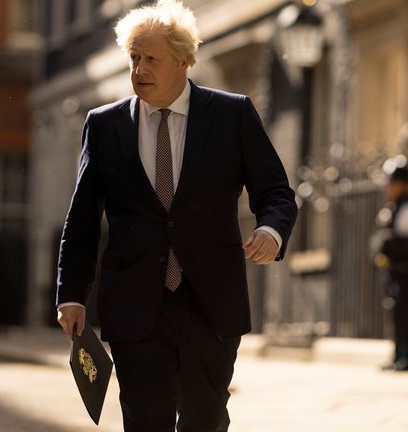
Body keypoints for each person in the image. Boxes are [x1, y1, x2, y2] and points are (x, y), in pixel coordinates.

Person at [54, 1, 297, 430]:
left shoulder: (232, 114)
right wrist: (71, 294)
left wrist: (270, 231)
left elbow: (276, 191)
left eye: (151, 59)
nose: (139, 69)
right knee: (146, 421)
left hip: (210, 302)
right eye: (133, 58)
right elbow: (83, 219)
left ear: (185, 60)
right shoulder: (104, 126)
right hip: (134, 305)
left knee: (205, 420)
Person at [375, 156, 408, 372]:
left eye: (390, 183)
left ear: (401, 184)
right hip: (394, 270)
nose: (387, 188)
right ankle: (399, 355)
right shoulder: (393, 208)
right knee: (397, 313)